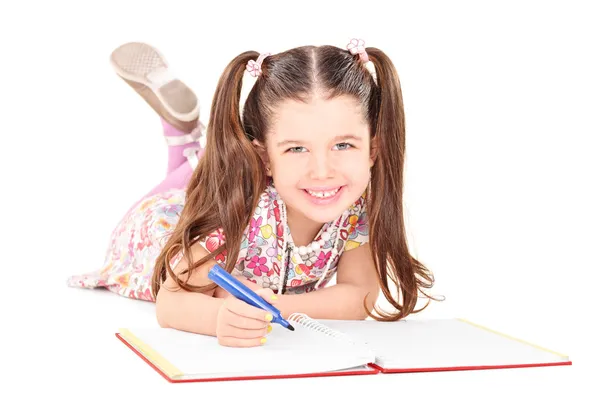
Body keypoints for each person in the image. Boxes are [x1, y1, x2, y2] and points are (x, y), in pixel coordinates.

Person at [67, 39, 437, 347]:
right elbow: (172, 301)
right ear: (265, 157)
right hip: (157, 226)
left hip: (237, 191)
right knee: (193, 212)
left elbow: (359, 296)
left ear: (373, 149)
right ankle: (184, 143)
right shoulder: (237, 211)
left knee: (216, 195)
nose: (323, 172)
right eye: (296, 148)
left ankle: (194, 147)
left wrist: (277, 305)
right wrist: (217, 317)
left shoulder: (357, 207)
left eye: (343, 146)